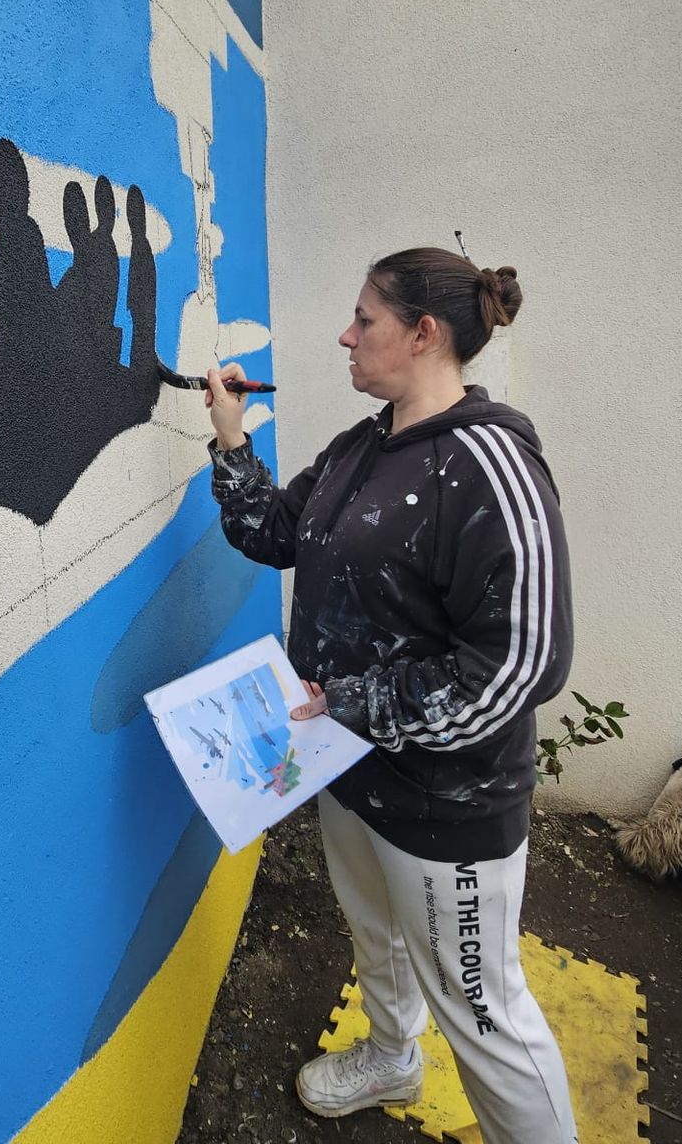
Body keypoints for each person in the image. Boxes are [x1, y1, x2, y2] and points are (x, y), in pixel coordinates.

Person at [200, 247, 578, 1144]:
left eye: (364, 319)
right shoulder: (360, 446)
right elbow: (273, 532)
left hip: (449, 811)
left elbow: (523, 665)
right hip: (350, 775)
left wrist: (354, 704)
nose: (345, 334)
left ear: (423, 333)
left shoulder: (492, 467)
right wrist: (231, 438)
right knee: (378, 941)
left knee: (484, 1015)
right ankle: (391, 1060)